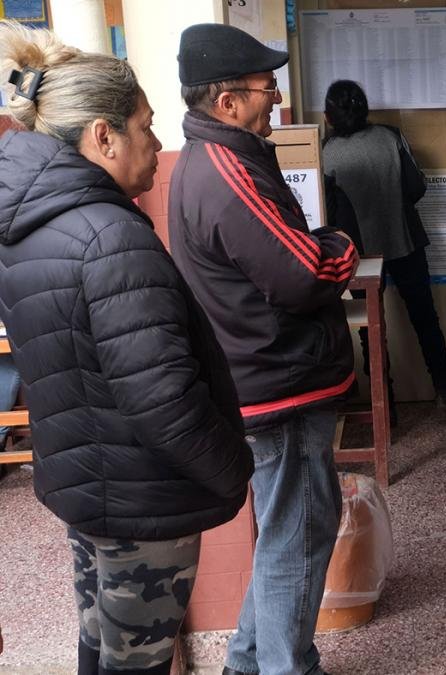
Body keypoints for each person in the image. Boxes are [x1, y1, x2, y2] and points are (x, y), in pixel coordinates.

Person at [0, 21, 253, 673]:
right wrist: (233, 469)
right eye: (145, 125)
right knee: (136, 658)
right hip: (144, 503)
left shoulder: (31, 228)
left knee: (103, 645)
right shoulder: (109, 238)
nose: (158, 141)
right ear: (103, 135)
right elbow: (163, 397)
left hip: (91, 488)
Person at [169, 24, 359, 675]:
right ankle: (286, 666)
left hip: (270, 376)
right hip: (280, 384)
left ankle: (247, 660)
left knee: (289, 531)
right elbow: (302, 271)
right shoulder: (225, 168)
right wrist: (342, 244)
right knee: (298, 537)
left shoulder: (228, 154)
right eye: (265, 84)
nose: (276, 94)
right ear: (227, 101)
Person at [322, 79, 446, 419]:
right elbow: (417, 187)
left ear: (328, 116)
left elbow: (327, 209)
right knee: (425, 318)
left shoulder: (325, 153)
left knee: (371, 329)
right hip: (405, 241)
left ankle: (384, 405)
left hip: (359, 254)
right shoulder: (390, 136)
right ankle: (443, 390)